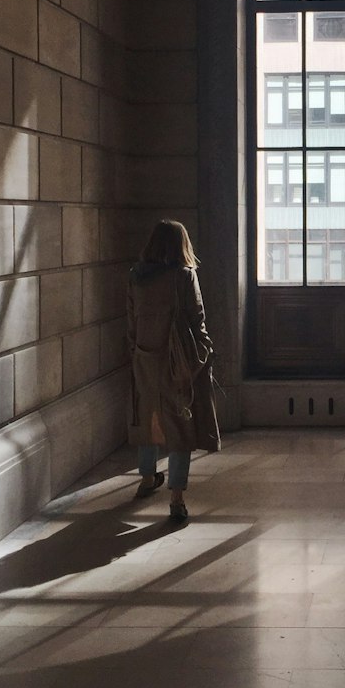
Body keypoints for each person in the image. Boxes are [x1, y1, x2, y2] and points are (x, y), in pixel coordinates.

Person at [126, 220, 220, 521]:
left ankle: (147, 477)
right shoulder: (184, 276)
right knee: (179, 423)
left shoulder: (135, 277)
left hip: (145, 357)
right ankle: (177, 497)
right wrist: (204, 352)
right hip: (176, 360)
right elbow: (197, 318)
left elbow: (131, 322)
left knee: (148, 415)